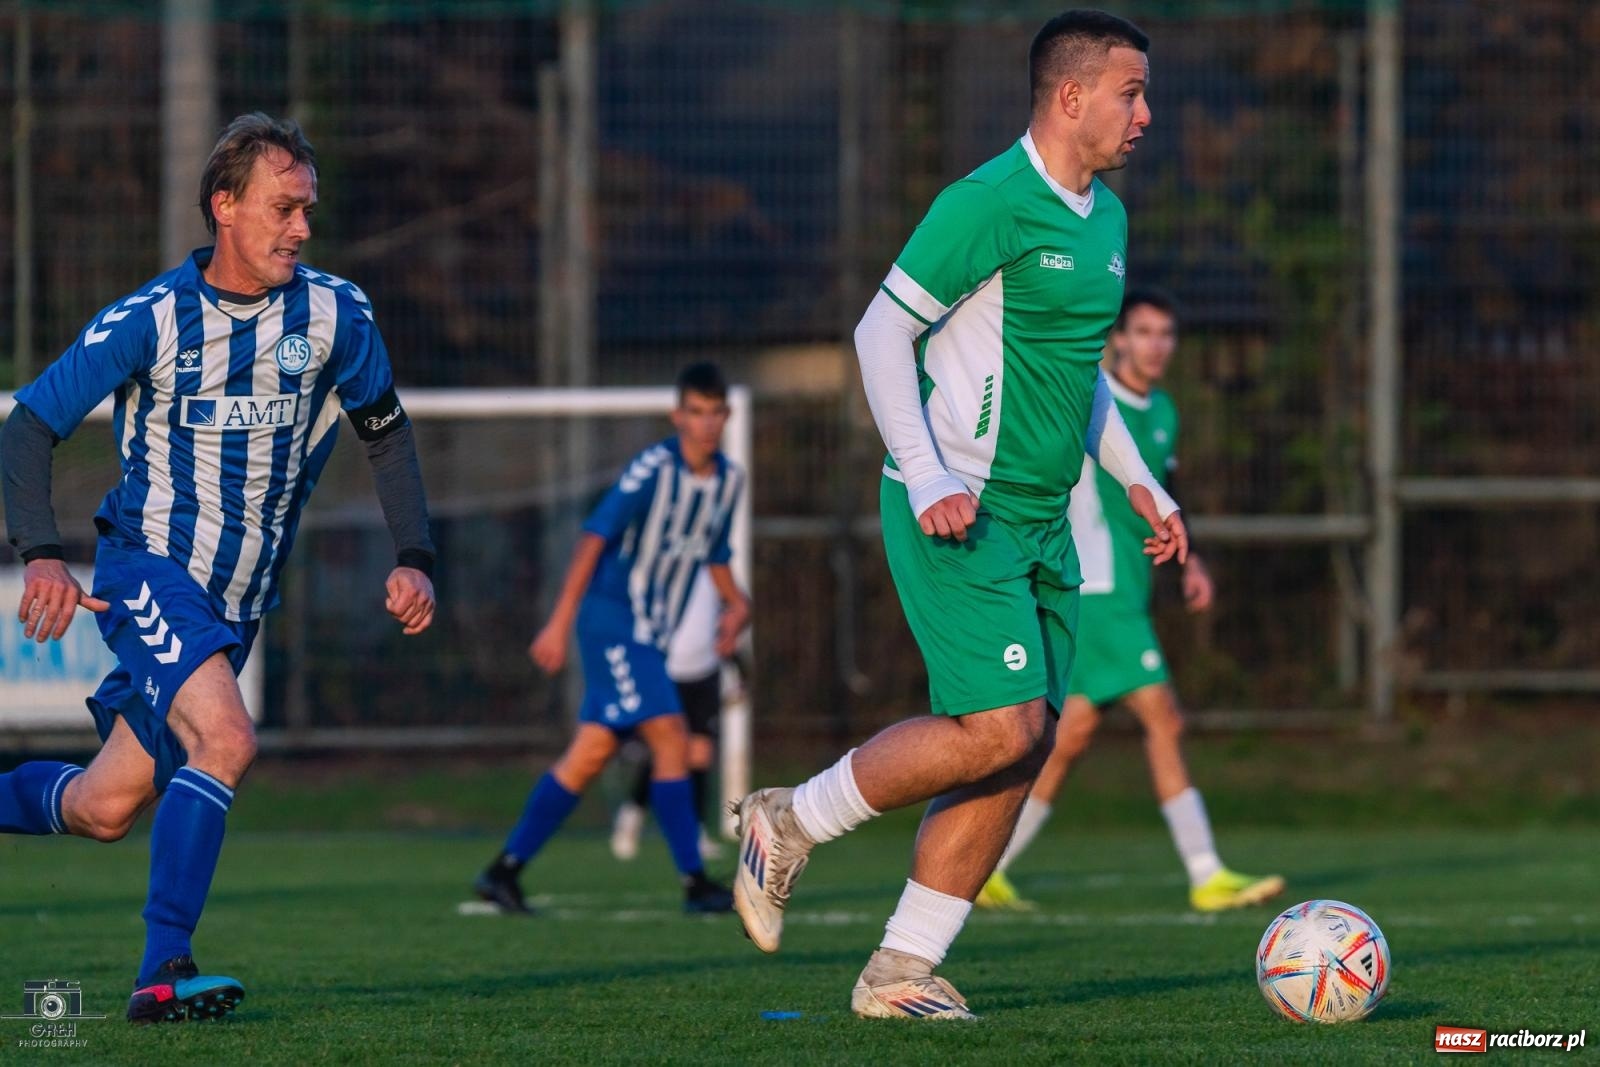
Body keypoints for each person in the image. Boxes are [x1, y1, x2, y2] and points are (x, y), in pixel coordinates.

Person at [730, 10, 1188, 1020]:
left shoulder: (1105, 220)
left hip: (1042, 520)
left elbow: (1079, 377)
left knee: (1023, 742)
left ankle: (899, 970)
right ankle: (790, 818)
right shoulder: (985, 202)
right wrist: (927, 469)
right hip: (958, 510)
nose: (1145, 114)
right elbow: (879, 332)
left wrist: (1140, 483)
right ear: (1070, 96)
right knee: (1000, 725)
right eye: (1131, 93)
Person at [0, 113, 436, 1024]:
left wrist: (415, 556)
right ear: (224, 206)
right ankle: (164, 967)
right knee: (228, 740)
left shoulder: (336, 315)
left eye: (308, 208)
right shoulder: (154, 318)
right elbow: (29, 424)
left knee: (104, 806)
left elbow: (387, 435)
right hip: (151, 568)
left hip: (238, 603)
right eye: (283, 208)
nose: (302, 227)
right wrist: (41, 555)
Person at [977, 289, 1285, 913]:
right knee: (1163, 718)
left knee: (1070, 736)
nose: (1155, 345)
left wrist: (1190, 560)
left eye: (1165, 334)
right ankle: (1206, 873)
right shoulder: (1093, 400)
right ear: (1117, 338)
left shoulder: (1163, 408)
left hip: (1126, 589)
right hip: (1098, 588)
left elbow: (1161, 488)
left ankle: (987, 866)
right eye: (1142, 332)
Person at [474, 362, 751, 915]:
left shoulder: (728, 481)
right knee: (670, 735)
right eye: (695, 412)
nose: (705, 423)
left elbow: (714, 553)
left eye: (714, 412)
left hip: (652, 634)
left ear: (725, 416)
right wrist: (559, 622)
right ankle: (695, 882)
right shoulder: (652, 469)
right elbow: (593, 538)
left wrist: (738, 603)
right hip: (614, 623)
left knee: (590, 754)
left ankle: (503, 871)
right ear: (677, 416)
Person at [610, 568, 729, 863]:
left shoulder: (715, 568)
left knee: (700, 753)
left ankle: (695, 831)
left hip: (705, 670)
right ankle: (633, 813)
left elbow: (731, 610)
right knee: (667, 750)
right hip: (667, 670)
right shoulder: (665, 565)